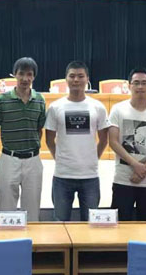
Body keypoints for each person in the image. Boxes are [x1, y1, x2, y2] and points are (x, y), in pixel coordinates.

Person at [45, 61, 109, 221]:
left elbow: (104, 139)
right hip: (62, 176)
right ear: (66, 79)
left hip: (89, 176)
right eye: (72, 76)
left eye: (80, 76)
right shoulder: (55, 107)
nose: (76, 80)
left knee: (90, 224)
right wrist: (59, 158)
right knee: (61, 223)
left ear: (87, 79)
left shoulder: (98, 107)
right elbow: (49, 139)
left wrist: (94, 157)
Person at [0, 57, 46, 221]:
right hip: (9, 159)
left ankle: (31, 238)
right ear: (14, 74)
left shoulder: (40, 100)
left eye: (29, 74)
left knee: (32, 213)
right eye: (21, 74)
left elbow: (39, 130)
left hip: (33, 161)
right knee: (6, 212)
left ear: (34, 77)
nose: (25, 79)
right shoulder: (1, 101)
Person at [108, 68, 146, 221]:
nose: (140, 87)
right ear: (129, 86)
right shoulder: (118, 109)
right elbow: (113, 141)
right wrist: (135, 165)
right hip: (123, 179)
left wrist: (143, 170)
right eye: (136, 83)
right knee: (120, 226)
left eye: (144, 83)